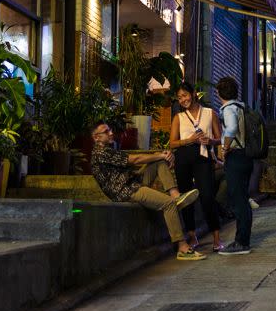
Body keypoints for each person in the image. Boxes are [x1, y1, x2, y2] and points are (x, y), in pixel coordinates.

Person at [90, 121, 205, 261]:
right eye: (106, 132)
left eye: (110, 130)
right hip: (126, 191)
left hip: (132, 182)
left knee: (159, 163)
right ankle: (182, 247)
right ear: (96, 137)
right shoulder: (101, 153)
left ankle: (176, 195)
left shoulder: (108, 149)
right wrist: (161, 154)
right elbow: (135, 159)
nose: (111, 133)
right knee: (168, 204)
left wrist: (161, 156)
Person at [169, 82, 224, 252]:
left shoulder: (210, 113)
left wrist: (211, 141)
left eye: (185, 95)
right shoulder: (179, 117)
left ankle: (216, 237)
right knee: (186, 199)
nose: (182, 100)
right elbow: (172, 143)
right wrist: (189, 140)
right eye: (179, 97)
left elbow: (219, 138)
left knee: (207, 196)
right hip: (183, 159)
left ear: (193, 94)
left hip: (203, 158)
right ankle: (192, 236)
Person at [216, 77, 253, 255]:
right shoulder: (241, 107)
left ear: (219, 93)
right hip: (246, 156)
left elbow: (230, 129)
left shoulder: (229, 109)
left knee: (238, 201)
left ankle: (241, 242)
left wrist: (225, 148)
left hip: (236, 157)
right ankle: (243, 239)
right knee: (243, 200)